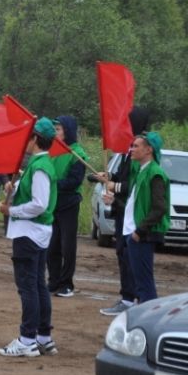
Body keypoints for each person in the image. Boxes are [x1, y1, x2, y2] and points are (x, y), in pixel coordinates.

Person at [0, 117, 58, 358]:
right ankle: (43, 337)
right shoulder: (39, 164)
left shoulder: (40, 165)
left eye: (29, 136)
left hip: (30, 232)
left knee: (28, 287)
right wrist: (13, 189)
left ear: (35, 139)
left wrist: (11, 211)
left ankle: (27, 339)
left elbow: (39, 204)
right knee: (37, 286)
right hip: (36, 232)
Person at [93, 106, 151, 316]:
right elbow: (121, 176)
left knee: (131, 257)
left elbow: (132, 184)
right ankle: (128, 297)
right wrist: (108, 177)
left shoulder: (141, 151)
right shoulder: (129, 149)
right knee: (122, 254)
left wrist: (115, 187)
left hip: (132, 214)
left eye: (129, 122)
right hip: (122, 210)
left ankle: (133, 300)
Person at [105, 132, 170, 305]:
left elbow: (159, 208)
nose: (131, 149)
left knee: (143, 281)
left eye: (136, 146)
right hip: (132, 233)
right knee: (138, 279)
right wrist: (113, 200)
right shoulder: (140, 171)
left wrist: (139, 231)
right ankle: (143, 314)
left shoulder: (155, 173)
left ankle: (150, 317)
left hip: (141, 235)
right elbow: (135, 203)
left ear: (149, 150)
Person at [46, 115, 88, 297]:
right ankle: (53, 281)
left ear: (68, 131)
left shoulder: (78, 153)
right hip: (53, 204)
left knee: (67, 246)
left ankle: (67, 284)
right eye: (55, 129)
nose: (56, 133)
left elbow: (74, 181)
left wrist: (52, 183)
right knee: (51, 246)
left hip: (69, 204)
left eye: (59, 129)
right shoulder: (53, 150)